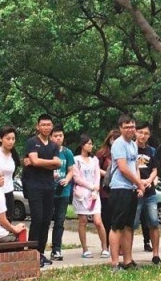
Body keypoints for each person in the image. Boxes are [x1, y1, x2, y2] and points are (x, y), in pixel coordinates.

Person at [23, 115, 63, 269]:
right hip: (34, 186)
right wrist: (50, 163)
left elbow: (57, 164)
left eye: (48, 125)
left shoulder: (53, 145)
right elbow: (34, 161)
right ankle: (32, 253)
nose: (46, 127)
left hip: (48, 186)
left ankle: (41, 252)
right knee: (37, 219)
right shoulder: (32, 142)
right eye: (43, 125)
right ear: (37, 126)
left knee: (47, 220)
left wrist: (40, 163)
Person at [108, 114, 146, 271]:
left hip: (131, 189)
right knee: (117, 226)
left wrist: (139, 185)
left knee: (129, 226)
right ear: (120, 128)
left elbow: (135, 166)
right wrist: (138, 183)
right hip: (119, 189)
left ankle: (128, 261)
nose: (130, 130)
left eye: (132, 127)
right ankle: (115, 262)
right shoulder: (118, 144)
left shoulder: (133, 145)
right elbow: (123, 168)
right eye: (127, 127)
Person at [71, 135, 106, 258]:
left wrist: (96, 188)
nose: (91, 146)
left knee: (98, 221)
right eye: (88, 144)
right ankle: (85, 248)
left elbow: (97, 174)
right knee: (83, 221)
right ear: (82, 145)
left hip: (94, 194)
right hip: (82, 193)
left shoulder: (94, 160)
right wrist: (91, 187)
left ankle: (104, 247)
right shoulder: (76, 160)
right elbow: (76, 178)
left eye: (92, 144)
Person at [133, 125, 161, 265]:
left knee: (154, 222)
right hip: (135, 191)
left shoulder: (152, 151)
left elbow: (155, 170)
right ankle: (128, 256)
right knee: (132, 224)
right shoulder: (130, 148)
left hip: (149, 192)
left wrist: (149, 180)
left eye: (146, 133)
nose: (142, 136)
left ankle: (156, 255)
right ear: (135, 133)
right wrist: (139, 183)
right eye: (140, 132)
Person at [50, 127, 76, 262]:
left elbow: (71, 170)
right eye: (55, 136)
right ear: (50, 137)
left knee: (60, 221)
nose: (58, 138)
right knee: (45, 220)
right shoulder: (48, 151)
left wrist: (67, 179)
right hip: (49, 191)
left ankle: (56, 249)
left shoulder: (67, 152)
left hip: (63, 192)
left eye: (60, 135)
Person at [95, 128, 120, 258]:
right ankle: (105, 245)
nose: (114, 141)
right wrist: (108, 175)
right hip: (105, 191)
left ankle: (118, 245)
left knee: (118, 219)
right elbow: (95, 168)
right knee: (106, 219)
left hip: (119, 190)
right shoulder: (102, 154)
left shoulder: (122, 152)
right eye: (112, 139)